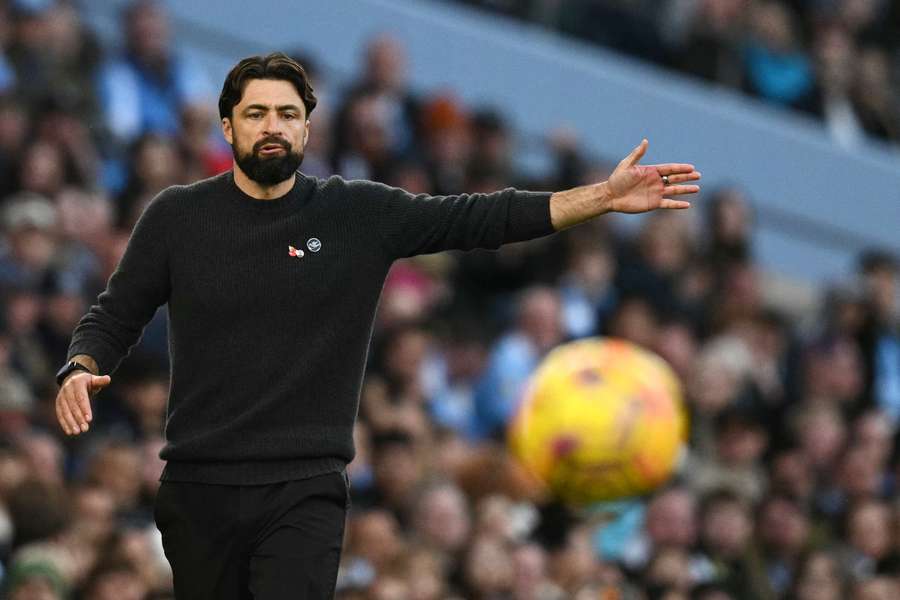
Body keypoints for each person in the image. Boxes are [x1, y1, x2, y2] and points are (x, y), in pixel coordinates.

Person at [51, 52, 700, 599]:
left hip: (302, 487)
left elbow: (478, 218)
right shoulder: (177, 217)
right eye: (255, 114)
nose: (272, 126)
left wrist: (601, 198)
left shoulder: (355, 213)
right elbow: (116, 312)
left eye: (287, 113)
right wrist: (80, 367)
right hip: (198, 485)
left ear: (308, 127)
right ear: (227, 125)